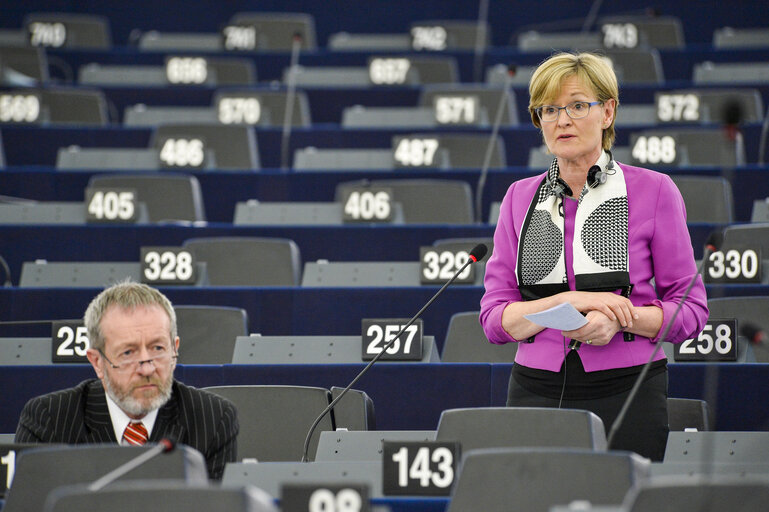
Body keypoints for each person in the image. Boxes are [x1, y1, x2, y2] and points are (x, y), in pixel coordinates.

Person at [480, 52, 708, 461]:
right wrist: (571, 302)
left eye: (577, 105)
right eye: (548, 109)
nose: (561, 120)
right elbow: (495, 321)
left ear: (607, 112)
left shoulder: (655, 191)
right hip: (533, 388)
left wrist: (622, 319)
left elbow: (690, 309)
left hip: (628, 390)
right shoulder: (518, 197)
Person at [15, 281, 238, 480]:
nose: (147, 368)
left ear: (175, 350)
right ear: (97, 362)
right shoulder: (48, 420)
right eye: (128, 353)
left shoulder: (212, 419)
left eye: (158, 348)